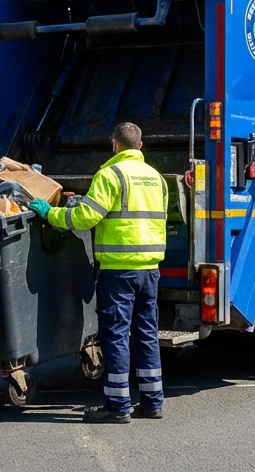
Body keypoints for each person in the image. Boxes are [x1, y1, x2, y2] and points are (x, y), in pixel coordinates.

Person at [30, 122, 167, 423]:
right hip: (150, 270)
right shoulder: (156, 178)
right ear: (140, 146)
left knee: (116, 335)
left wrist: (51, 214)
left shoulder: (110, 175)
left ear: (114, 145)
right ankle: (152, 403)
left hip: (119, 270)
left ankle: (118, 407)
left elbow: (85, 218)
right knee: (146, 334)